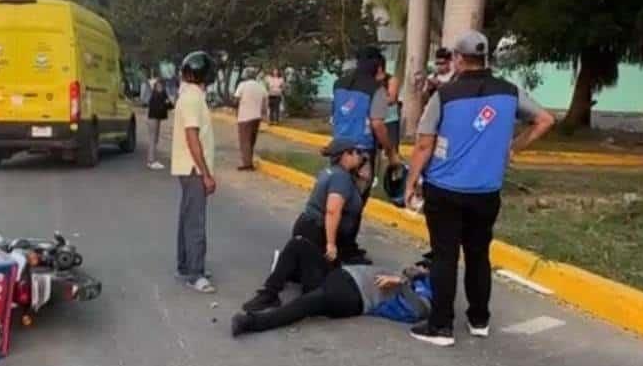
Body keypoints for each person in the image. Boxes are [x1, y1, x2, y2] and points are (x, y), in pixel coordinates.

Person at [406, 30, 555, 347]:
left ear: (459, 59)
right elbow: (544, 120)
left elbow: (423, 144)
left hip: (445, 188)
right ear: (485, 59)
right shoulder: (509, 92)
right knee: (478, 255)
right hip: (486, 191)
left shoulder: (445, 95)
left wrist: (410, 182)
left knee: (445, 257)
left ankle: (441, 327)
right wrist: (514, 147)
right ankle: (479, 319)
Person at [241, 137, 367, 312]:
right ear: (345, 155)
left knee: (320, 265)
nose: (361, 157)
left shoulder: (331, 172)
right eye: (357, 153)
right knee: (316, 286)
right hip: (317, 232)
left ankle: (289, 266)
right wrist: (331, 244)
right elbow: (332, 211)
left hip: (308, 227)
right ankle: (276, 285)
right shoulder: (341, 179)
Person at [231, 259, 433, 336]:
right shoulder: (403, 273)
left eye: (421, 267)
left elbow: (421, 310)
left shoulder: (421, 287)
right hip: (340, 277)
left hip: (352, 294)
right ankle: (272, 289)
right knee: (301, 246)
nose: (415, 267)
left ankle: (252, 323)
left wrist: (402, 282)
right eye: (417, 264)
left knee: (305, 304)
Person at [331, 47, 400, 260]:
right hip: (362, 152)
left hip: (338, 148)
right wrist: (391, 152)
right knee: (356, 201)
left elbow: (335, 114)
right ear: (379, 67)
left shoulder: (339, 83)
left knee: (337, 196)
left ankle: (333, 242)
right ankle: (347, 249)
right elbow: (378, 124)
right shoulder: (376, 89)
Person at [172, 51, 218, 294]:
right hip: (193, 169)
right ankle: (195, 273)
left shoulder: (190, 96)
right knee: (195, 221)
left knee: (187, 216)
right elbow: (192, 137)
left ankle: (185, 265)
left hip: (188, 168)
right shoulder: (192, 99)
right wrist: (206, 173)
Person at [234, 67, 268, 170]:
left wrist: (236, 108)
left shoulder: (242, 85)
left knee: (245, 141)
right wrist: (263, 113)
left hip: (244, 117)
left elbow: (236, 99)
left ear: (246, 75)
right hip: (256, 117)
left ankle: (247, 164)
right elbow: (265, 100)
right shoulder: (260, 86)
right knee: (252, 141)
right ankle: (249, 161)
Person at [146, 78, 173, 170]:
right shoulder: (158, 95)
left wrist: (168, 103)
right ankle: (151, 161)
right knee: (153, 139)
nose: (160, 87)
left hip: (155, 118)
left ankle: (152, 160)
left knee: (154, 139)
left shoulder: (158, 94)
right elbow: (168, 104)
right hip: (154, 119)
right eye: (159, 85)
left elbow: (169, 104)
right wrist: (167, 102)